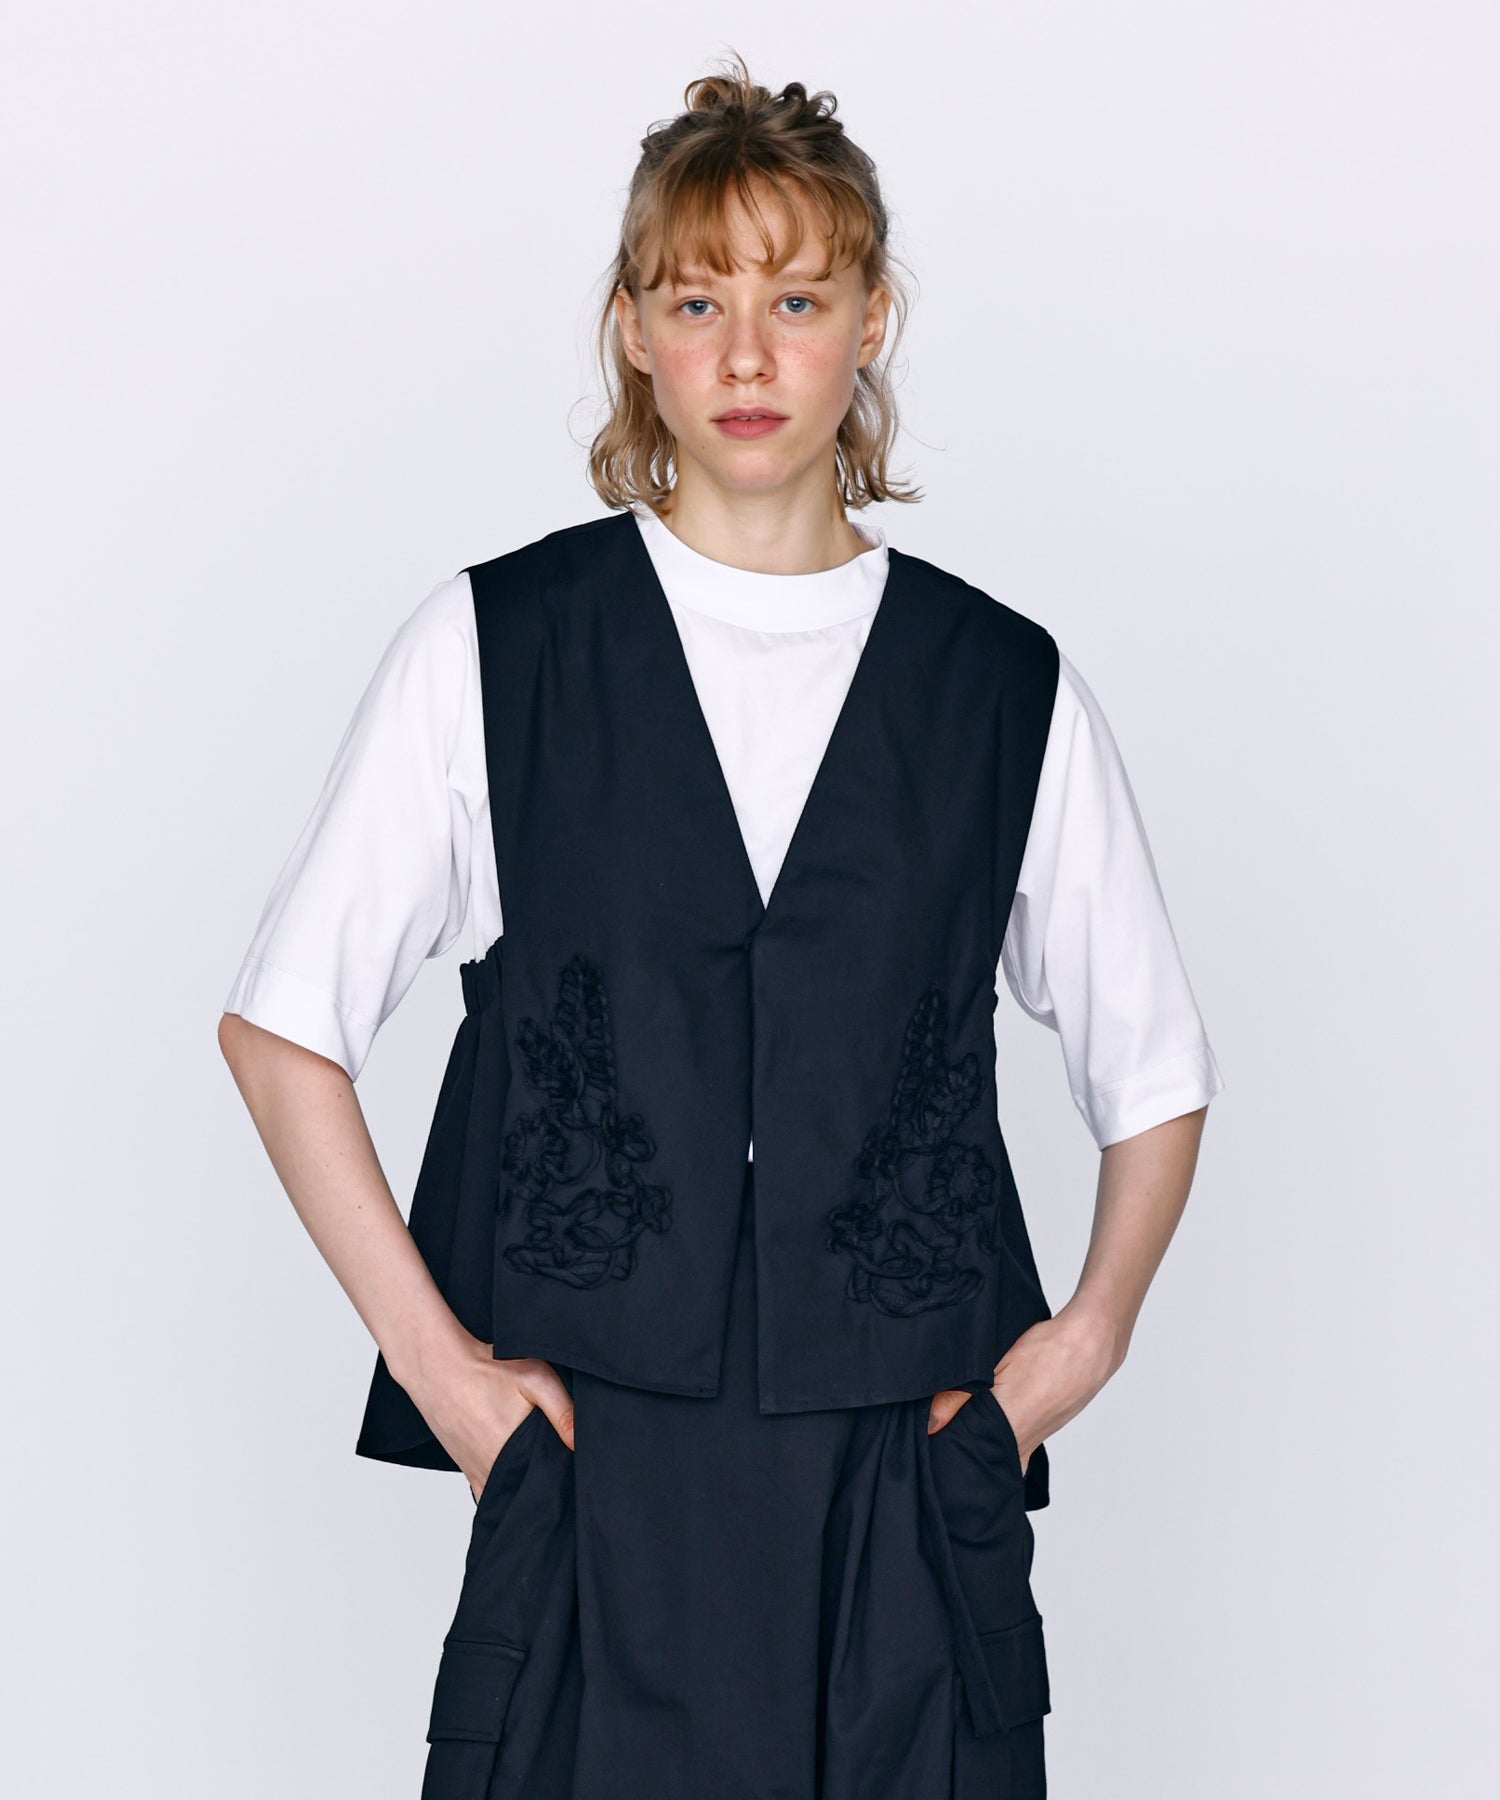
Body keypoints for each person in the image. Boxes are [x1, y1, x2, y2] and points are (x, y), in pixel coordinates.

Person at [218, 53, 1224, 1800]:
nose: (748, 357)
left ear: (873, 319)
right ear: (632, 329)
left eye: (797, 300)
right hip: (596, 1480)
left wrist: (1074, 1352)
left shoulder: (1002, 688)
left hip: (904, 1480)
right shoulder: (496, 650)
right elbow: (281, 1028)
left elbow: (1158, 1073)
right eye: (699, 302)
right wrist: (449, 1381)